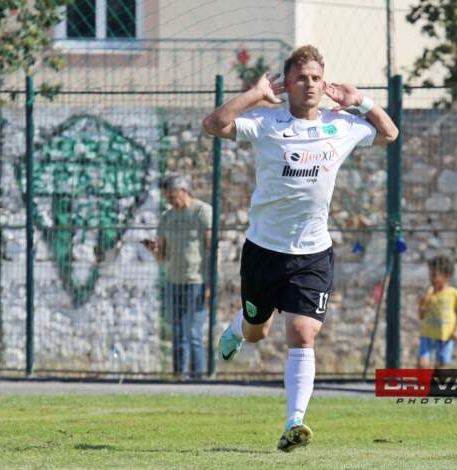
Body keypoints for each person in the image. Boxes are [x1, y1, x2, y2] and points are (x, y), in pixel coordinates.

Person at [202, 45, 398, 452]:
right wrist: (254, 94)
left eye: (315, 78)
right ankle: (238, 327)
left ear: (323, 84)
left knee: (302, 333)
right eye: (301, 78)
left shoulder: (340, 125)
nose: (309, 85)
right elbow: (213, 125)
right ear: (287, 84)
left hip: (312, 253)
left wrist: (361, 101)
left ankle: (295, 422)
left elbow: (389, 133)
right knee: (258, 331)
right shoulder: (267, 122)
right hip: (264, 249)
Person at [142, 173, 212, 380]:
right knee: (178, 332)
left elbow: (211, 249)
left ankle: (198, 378)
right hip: (174, 281)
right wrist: (154, 249)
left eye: (172, 196)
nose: (170, 201)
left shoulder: (202, 212)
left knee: (194, 333)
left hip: (196, 281)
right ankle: (178, 376)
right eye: (167, 198)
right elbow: (161, 257)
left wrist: (210, 283)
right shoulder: (167, 217)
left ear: (184, 191)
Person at [417, 256, 457, 368]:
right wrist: (423, 303)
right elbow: (421, 316)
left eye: (434, 275)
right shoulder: (429, 293)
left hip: (446, 335)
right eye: (430, 275)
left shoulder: (454, 294)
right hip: (428, 334)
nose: (431, 279)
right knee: (422, 363)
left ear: (446, 275)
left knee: (441, 363)